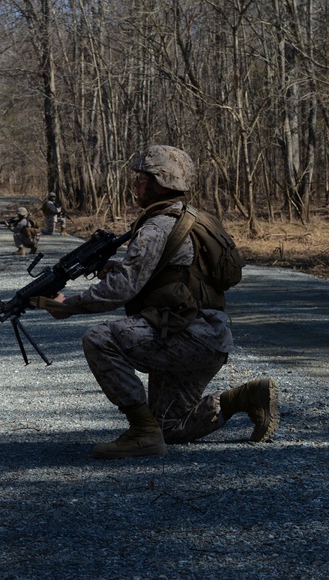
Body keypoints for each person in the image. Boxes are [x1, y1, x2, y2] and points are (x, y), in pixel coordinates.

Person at [34, 145, 279, 460]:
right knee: (170, 427)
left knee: (99, 338)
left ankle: (141, 432)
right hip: (209, 338)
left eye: (141, 178)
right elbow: (175, 274)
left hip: (184, 335)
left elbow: (120, 290)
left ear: (160, 183)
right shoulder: (195, 219)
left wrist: (68, 305)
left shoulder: (156, 227)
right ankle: (244, 397)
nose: (135, 184)